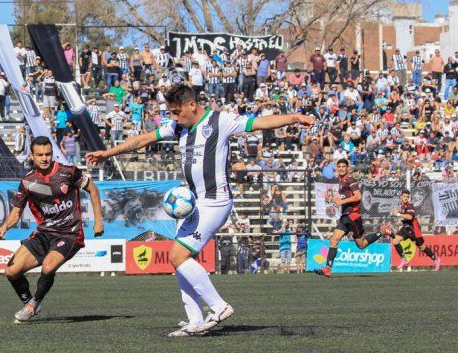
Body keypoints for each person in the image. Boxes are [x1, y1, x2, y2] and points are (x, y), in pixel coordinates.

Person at [85, 84, 314, 337]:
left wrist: (293, 118)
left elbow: (260, 122)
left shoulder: (220, 120)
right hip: (196, 202)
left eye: (176, 112)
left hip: (215, 201)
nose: (174, 118)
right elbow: (143, 139)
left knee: (178, 256)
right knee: (181, 260)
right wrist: (108, 153)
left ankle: (219, 306)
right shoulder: (178, 127)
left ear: (191, 105)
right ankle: (194, 321)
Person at [0, 136, 104, 324]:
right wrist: (5, 226)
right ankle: (30, 302)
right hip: (44, 233)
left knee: (48, 266)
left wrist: (98, 221)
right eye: (40, 155)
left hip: (69, 232)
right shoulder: (28, 181)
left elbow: (93, 190)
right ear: (32, 156)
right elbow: (17, 211)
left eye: (48, 154)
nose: (44, 158)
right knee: (11, 271)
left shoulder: (69, 172)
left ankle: (32, 306)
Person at [315, 159, 385, 278]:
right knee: (336, 240)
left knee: (360, 244)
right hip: (345, 216)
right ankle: (328, 268)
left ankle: (383, 231)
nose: (341, 168)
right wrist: (332, 200)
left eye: (344, 166)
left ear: (348, 168)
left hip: (353, 216)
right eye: (339, 166)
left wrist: (341, 201)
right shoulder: (341, 181)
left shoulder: (350, 180)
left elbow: (358, 196)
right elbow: (342, 199)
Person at [380, 189, 441, 271]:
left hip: (413, 230)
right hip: (406, 228)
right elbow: (407, 219)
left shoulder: (410, 206)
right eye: (404, 196)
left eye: (407, 197)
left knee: (422, 247)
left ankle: (436, 260)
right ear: (401, 196)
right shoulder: (402, 206)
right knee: (395, 240)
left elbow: (410, 217)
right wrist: (400, 221)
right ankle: (404, 259)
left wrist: (398, 214)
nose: (406, 198)